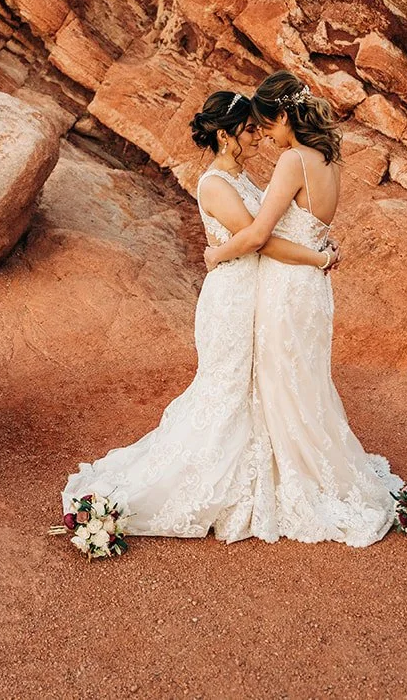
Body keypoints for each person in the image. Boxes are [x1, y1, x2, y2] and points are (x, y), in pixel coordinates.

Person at [58, 89, 335, 540]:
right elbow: (256, 239)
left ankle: (261, 473)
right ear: (226, 136)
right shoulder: (215, 184)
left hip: (256, 294)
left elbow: (272, 225)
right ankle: (197, 485)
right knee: (225, 389)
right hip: (231, 298)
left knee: (253, 389)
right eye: (249, 131)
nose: (258, 138)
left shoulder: (244, 179)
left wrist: (311, 247)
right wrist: (313, 257)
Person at [202, 70, 400, 546]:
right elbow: (313, 223)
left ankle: (297, 481)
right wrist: (323, 254)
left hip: (287, 286)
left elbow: (259, 237)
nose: (266, 135)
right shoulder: (328, 157)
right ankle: (309, 470)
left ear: (286, 115)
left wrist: (215, 254)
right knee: (303, 379)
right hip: (313, 288)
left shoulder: (293, 160)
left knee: (281, 382)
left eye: (267, 124)